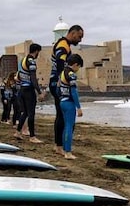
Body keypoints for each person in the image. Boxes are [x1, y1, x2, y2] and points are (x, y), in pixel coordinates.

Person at [49, 25, 84, 154]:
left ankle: (60, 145)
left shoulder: (65, 45)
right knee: (63, 117)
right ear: (73, 33)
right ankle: (59, 146)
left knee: (61, 116)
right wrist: (61, 83)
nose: (80, 40)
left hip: (57, 84)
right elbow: (59, 64)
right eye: (79, 36)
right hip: (57, 84)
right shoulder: (63, 45)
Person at [15, 43, 44, 143]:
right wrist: (39, 91)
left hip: (22, 89)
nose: (38, 55)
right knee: (31, 113)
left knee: (25, 113)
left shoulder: (22, 60)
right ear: (36, 51)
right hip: (29, 91)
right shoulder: (31, 62)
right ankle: (32, 137)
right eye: (38, 52)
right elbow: (33, 78)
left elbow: (18, 76)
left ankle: (18, 132)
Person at [58, 54, 84, 159]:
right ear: (75, 64)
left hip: (62, 102)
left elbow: (57, 88)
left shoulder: (62, 73)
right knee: (69, 126)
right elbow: (74, 92)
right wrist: (78, 107)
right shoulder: (71, 74)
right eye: (79, 67)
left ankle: (65, 149)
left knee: (66, 126)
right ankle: (68, 152)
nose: (78, 69)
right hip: (69, 103)